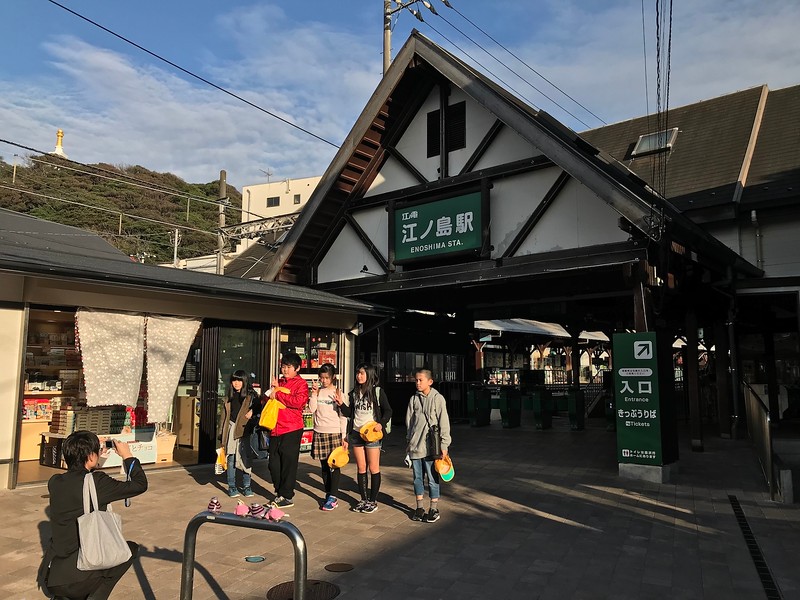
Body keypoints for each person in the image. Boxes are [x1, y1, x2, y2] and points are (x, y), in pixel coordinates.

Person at [42, 430, 148, 600]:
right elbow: (139, 484)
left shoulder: (55, 482)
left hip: (55, 578)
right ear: (91, 457)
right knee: (130, 549)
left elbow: (83, 482)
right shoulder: (99, 482)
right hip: (81, 576)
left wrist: (95, 457)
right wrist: (127, 455)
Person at [340, 363, 391, 513]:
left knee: (373, 467)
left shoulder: (377, 392)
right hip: (356, 433)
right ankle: (363, 499)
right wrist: (341, 404)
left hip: (372, 433)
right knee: (361, 467)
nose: (359, 376)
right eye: (357, 373)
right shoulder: (354, 393)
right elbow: (350, 413)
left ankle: (373, 500)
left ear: (369, 374)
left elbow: (388, 410)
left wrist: (381, 424)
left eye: (362, 373)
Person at [405, 368, 451, 523]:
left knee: (432, 477)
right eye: (416, 380)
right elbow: (409, 423)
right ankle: (419, 507)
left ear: (430, 382)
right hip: (415, 446)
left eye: (420, 380)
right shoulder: (413, 399)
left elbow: (444, 422)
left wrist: (444, 445)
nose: (417, 383)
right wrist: (408, 443)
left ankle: (433, 507)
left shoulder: (438, 399)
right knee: (417, 478)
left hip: (432, 447)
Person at [268, 352, 309, 508]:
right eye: (283, 366)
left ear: (297, 368)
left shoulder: (301, 384)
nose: (285, 370)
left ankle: (286, 495)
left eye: (289, 367)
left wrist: (278, 394)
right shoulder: (279, 382)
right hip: (275, 427)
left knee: (289, 464)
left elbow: (299, 402)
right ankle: (280, 492)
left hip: (292, 427)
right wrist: (272, 391)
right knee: (273, 463)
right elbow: (269, 399)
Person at [309, 363, 348, 511]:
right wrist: (313, 394)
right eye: (321, 377)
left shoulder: (338, 392)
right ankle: (328, 493)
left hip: (334, 432)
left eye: (327, 377)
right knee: (324, 466)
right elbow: (312, 409)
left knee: (335, 465)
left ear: (333, 378)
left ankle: (333, 496)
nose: (324, 380)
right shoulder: (318, 392)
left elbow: (343, 416)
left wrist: (344, 436)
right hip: (319, 431)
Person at [219, 370, 261, 498]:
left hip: (245, 431)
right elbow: (223, 417)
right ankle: (232, 486)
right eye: (234, 380)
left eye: (239, 380)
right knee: (230, 458)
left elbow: (260, 408)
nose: (236, 383)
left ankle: (247, 486)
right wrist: (221, 433)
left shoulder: (251, 396)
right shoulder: (229, 397)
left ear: (244, 381)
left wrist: (252, 412)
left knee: (245, 459)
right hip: (230, 430)